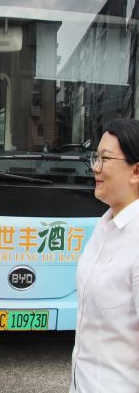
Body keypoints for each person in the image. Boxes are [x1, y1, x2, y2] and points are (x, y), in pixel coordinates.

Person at [70, 118, 139, 392]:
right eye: (95, 158)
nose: (95, 167)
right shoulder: (104, 226)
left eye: (105, 159)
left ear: (136, 171)